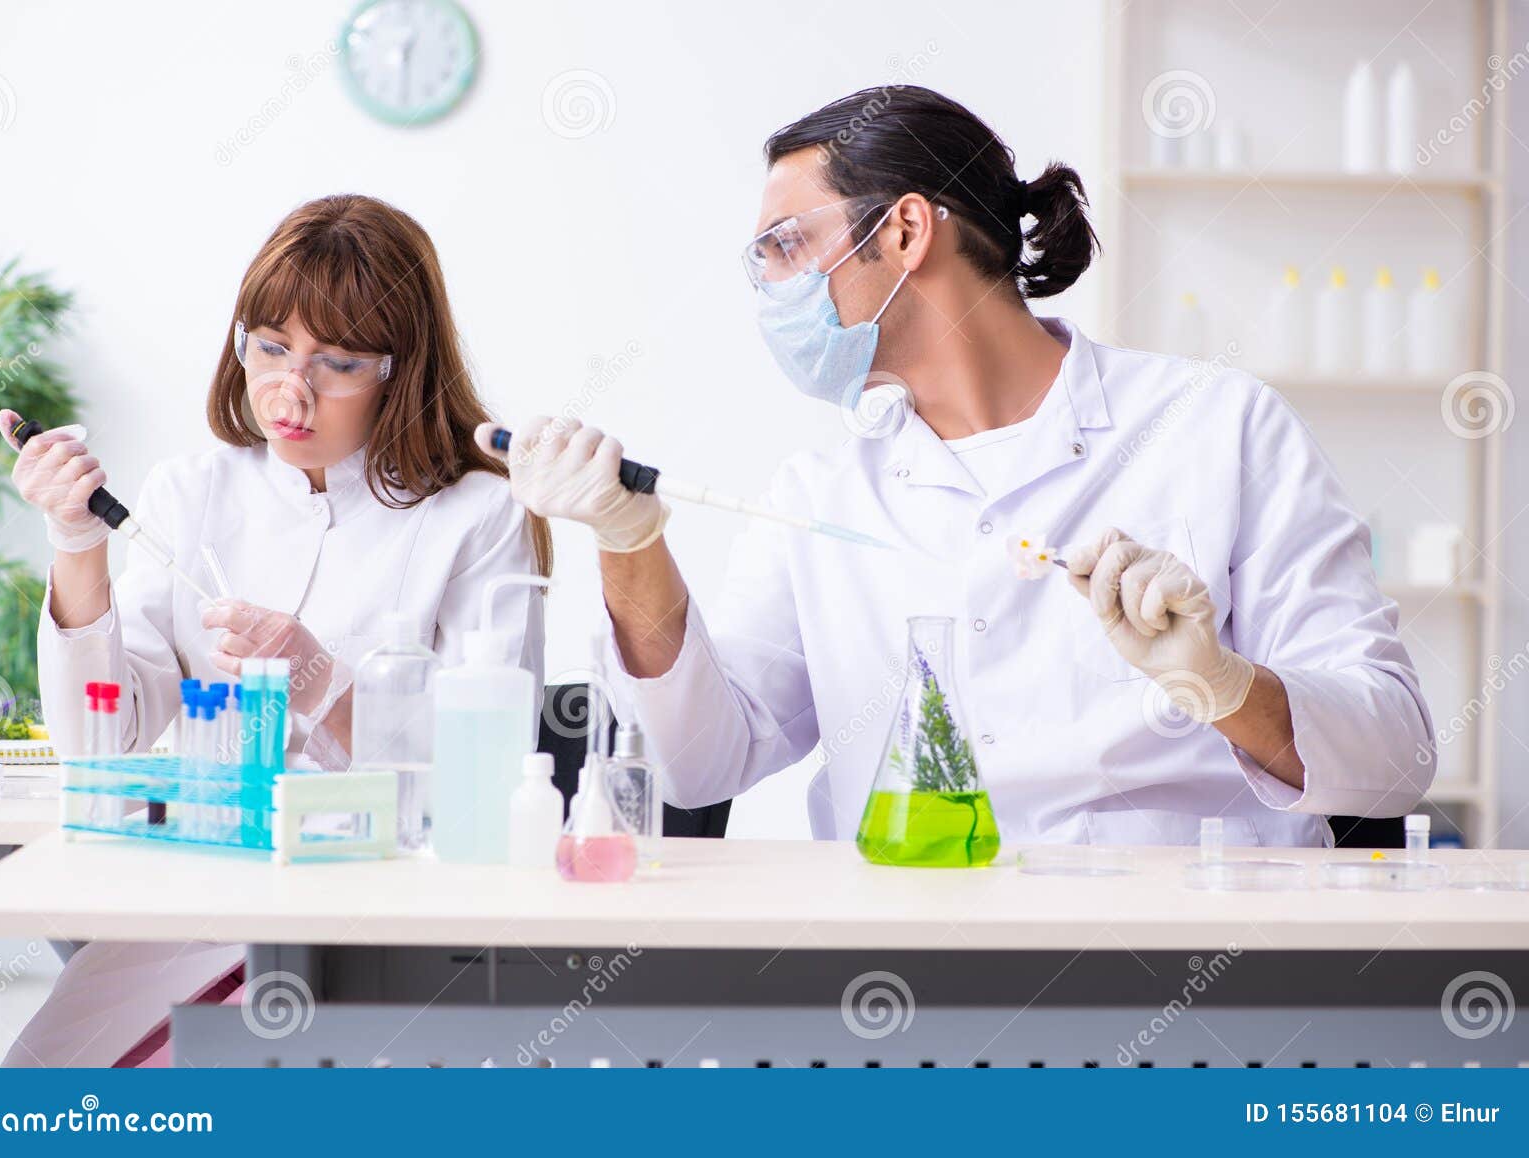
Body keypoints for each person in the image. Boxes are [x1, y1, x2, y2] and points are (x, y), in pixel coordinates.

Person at [482, 85, 1434, 850]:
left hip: (1188, 973)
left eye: (786, 245)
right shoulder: (822, 494)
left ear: (902, 232)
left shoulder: (1216, 427)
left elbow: (1394, 756)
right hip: (907, 976)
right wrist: (627, 540)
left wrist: (1221, 683)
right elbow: (700, 764)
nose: (770, 287)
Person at [0, 193, 548, 1066]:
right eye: (271, 348)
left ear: (398, 371)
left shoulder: (476, 517)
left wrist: (320, 679)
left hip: (387, 914)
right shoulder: (194, 491)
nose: (290, 391)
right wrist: (77, 547)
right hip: (197, 903)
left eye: (335, 363)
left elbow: (480, 786)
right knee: (35, 1096)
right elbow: (99, 732)